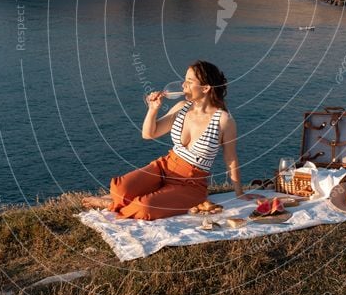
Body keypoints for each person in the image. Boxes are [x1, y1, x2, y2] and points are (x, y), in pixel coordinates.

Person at [82, 60, 256, 219]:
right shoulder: (181, 107)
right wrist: (153, 109)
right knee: (120, 188)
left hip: (190, 185)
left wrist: (239, 192)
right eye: (184, 79)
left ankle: (111, 203)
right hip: (164, 167)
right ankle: (122, 198)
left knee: (145, 207)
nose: (183, 85)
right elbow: (148, 134)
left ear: (206, 88)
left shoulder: (224, 120)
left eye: (189, 81)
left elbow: (230, 158)